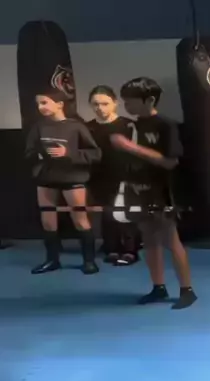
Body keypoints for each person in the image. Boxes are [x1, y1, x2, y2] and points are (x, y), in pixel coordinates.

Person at [110, 77, 197, 309]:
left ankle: (187, 290)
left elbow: (170, 162)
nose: (127, 105)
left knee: (171, 239)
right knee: (149, 239)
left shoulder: (166, 125)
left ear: (149, 100)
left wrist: (131, 147)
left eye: (131, 101)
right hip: (138, 189)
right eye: (125, 101)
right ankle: (158, 287)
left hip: (161, 191)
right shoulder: (132, 126)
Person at [25, 90, 102, 275]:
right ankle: (52, 260)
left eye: (44, 102)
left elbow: (95, 153)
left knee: (80, 220)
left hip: (73, 178)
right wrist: (39, 157)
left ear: (59, 104)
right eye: (38, 104)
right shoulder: (38, 127)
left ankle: (89, 261)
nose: (41, 107)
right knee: (48, 221)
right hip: (47, 178)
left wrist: (68, 154)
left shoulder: (76, 126)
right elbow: (29, 152)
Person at [87, 85, 141, 266]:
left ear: (115, 103)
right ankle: (111, 248)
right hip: (99, 177)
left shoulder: (128, 125)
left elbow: (138, 152)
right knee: (107, 213)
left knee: (125, 214)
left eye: (104, 103)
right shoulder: (88, 128)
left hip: (125, 176)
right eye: (95, 104)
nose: (100, 108)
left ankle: (130, 251)